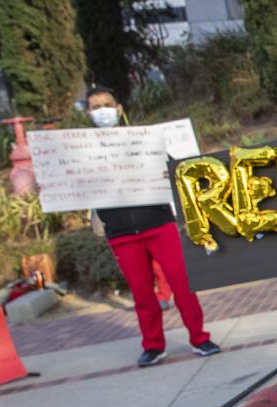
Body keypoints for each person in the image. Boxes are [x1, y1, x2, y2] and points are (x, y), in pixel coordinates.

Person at [86, 85, 219, 367]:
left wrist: (166, 170)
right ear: (88, 113)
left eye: (107, 105)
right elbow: (74, 185)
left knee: (183, 285)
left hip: (158, 223)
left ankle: (199, 337)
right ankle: (153, 345)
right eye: (96, 108)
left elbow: (175, 170)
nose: (103, 112)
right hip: (121, 233)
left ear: (119, 109)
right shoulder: (83, 151)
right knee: (143, 294)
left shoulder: (145, 139)